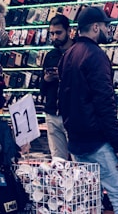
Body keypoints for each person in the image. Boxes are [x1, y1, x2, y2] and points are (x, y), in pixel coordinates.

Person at [58, 6, 118, 214]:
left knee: (89, 200)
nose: (108, 30)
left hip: (77, 141)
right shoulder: (96, 56)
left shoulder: (68, 55)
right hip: (98, 142)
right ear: (95, 27)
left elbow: (63, 101)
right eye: (105, 26)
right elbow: (105, 104)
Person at [40, 14, 72, 159]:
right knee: (58, 160)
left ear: (69, 31)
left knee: (78, 159)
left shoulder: (76, 53)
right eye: (52, 33)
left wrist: (63, 77)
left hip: (71, 114)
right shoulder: (50, 55)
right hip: (52, 112)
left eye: (58, 33)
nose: (54, 37)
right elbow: (41, 89)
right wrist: (46, 79)